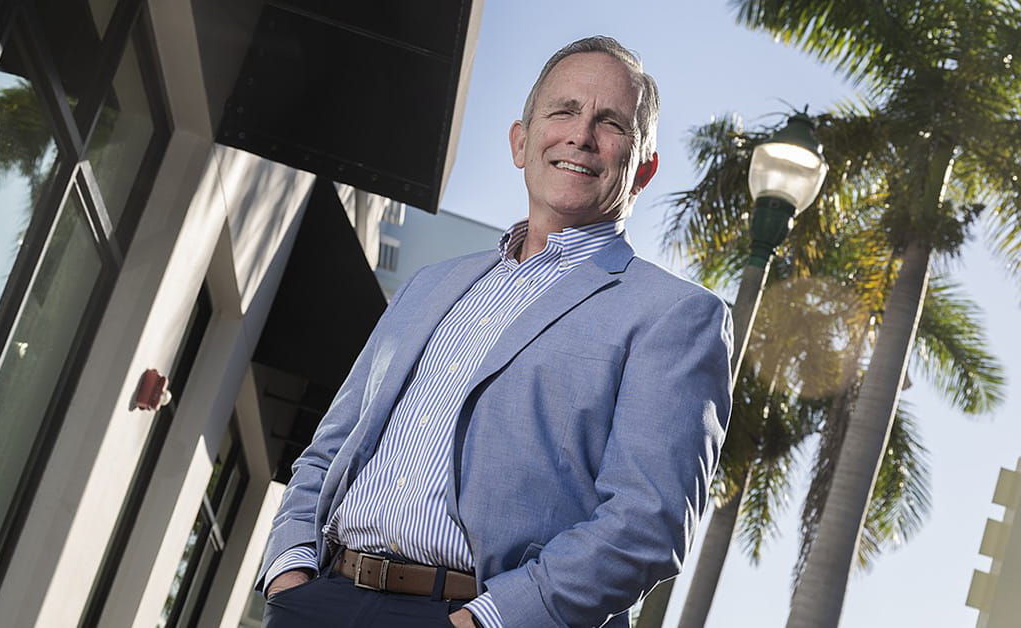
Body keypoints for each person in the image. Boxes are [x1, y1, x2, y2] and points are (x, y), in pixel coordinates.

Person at [257, 35, 733, 628]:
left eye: (611, 123)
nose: (581, 136)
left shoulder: (677, 316)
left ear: (644, 170)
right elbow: (334, 441)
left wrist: (486, 620)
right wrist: (289, 566)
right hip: (321, 599)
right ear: (520, 141)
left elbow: (646, 523)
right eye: (563, 111)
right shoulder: (431, 284)